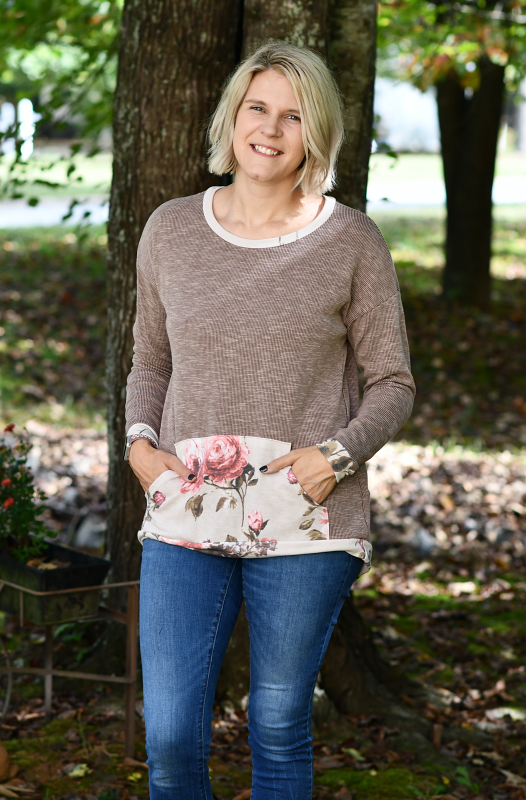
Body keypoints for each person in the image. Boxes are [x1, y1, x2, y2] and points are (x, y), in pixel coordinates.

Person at [124, 40, 415, 800]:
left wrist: (338, 458)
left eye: (293, 116)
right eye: (258, 108)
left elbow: (391, 383)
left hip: (309, 512)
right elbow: (149, 362)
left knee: (280, 721)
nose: (270, 129)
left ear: (314, 135)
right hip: (186, 503)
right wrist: (139, 447)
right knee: (169, 733)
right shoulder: (169, 230)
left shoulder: (351, 241)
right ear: (233, 116)